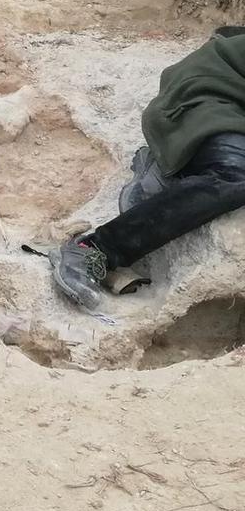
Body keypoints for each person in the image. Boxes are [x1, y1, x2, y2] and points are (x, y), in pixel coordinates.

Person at [52, 26, 245, 308]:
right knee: (236, 176)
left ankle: (173, 174)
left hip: (230, 107)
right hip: (203, 97)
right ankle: (96, 250)